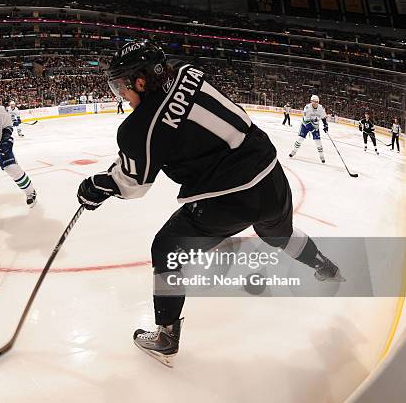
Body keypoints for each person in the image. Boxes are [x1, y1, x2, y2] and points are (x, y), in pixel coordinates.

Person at [76, 40, 344, 367]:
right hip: (270, 176)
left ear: (141, 82)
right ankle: (324, 266)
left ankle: (166, 335)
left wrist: (96, 185)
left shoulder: (137, 127)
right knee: (279, 235)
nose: (121, 95)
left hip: (225, 199)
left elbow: (133, 186)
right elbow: (181, 126)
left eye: (121, 87)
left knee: (166, 249)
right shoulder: (190, 72)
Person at [288, 95, 328, 163]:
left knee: (318, 141)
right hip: (305, 125)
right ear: (311, 101)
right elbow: (306, 121)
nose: (316, 103)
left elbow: (323, 117)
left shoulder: (321, 108)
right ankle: (294, 151)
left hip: (315, 126)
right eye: (314, 101)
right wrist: (311, 128)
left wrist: (325, 125)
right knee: (300, 139)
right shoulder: (307, 108)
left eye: (317, 102)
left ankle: (322, 156)